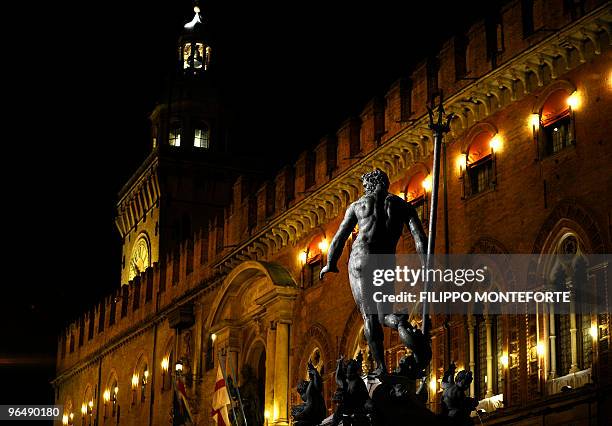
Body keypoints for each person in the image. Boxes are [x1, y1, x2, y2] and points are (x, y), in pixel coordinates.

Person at [320, 169, 429, 376]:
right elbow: (419, 238)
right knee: (385, 314)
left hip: (361, 259)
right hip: (385, 261)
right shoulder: (401, 205)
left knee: (368, 316)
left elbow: (339, 238)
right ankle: (403, 327)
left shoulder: (358, 206)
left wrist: (330, 264)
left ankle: (380, 368)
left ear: (368, 185)